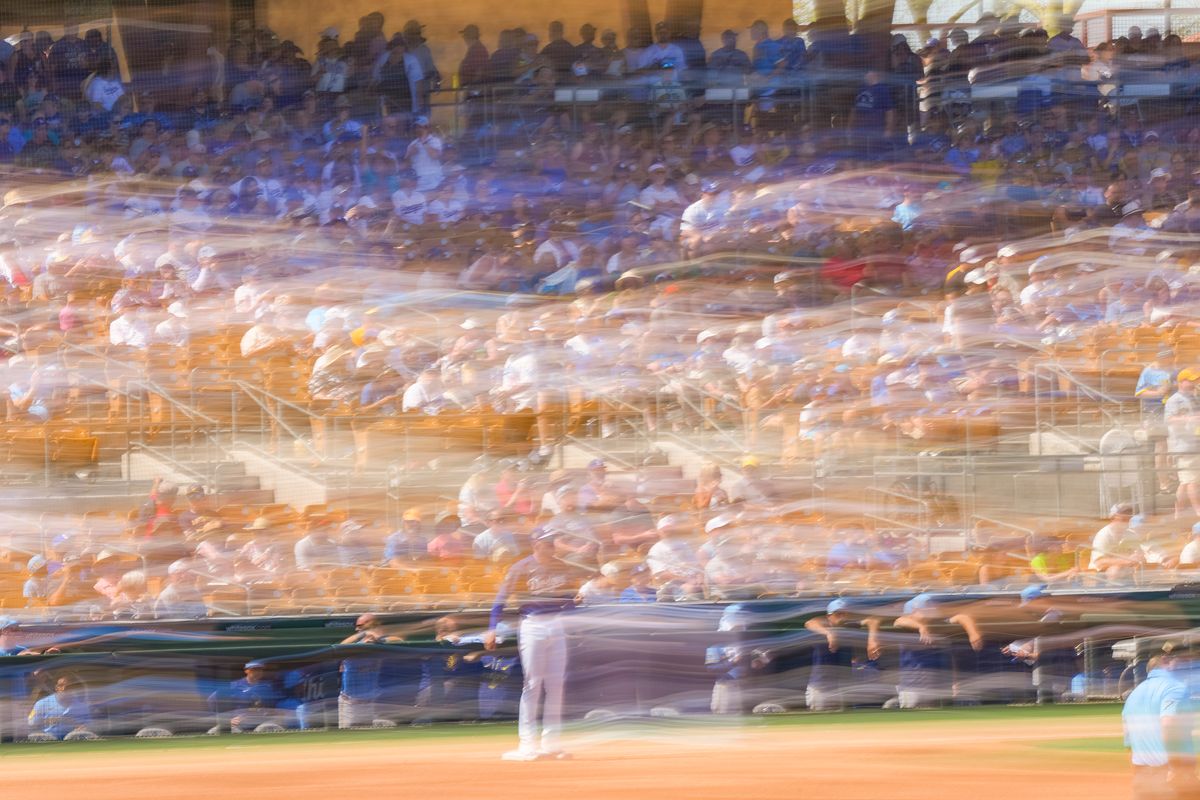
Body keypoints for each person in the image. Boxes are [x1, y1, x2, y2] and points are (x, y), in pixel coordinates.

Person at [485, 527, 583, 760]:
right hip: (532, 625)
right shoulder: (521, 567)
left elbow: (566, 601)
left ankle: (551, 744)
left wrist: (575, 602)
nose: (551, 545)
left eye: (552, 542)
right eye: (546, 542)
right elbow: (501, 599)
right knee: (533, 684)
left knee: (556, 685)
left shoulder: (562, 566)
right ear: (535, 543)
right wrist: (492, 627)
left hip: (556, 624)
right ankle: (527, 745)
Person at [1123, 647, 1199, 799]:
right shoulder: (1174, 687)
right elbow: (1168, 724)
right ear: (1164, 662)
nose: (1178, 665)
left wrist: (1140, 776)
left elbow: (1128, 740)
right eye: (1174, 660)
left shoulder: (1133, 694)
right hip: (1173, 773)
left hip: (1142, 775)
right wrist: (1172, 767)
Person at [1166, 368, 1200, 519]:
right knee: (1192, 480)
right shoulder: (1175, 400)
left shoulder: (1193, 398)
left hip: (1194, 443)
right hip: (1183, 445)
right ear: (1181, 382)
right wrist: (1189, 419)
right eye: (1191, 380)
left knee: (1186, 481)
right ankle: (1197, 510)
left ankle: (1178, 512)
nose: (1194, 383)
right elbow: (1169, 420)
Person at [28, 675, 92, 740]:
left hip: (73, 743)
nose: (64, 689)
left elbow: (88, 727)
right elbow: (30, 725)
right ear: (56, 687)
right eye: (61, 685)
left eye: (68, 687)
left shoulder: (82, 706)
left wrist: (81, 728)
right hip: (47, 742)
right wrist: (50, 721)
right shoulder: (41, 704)